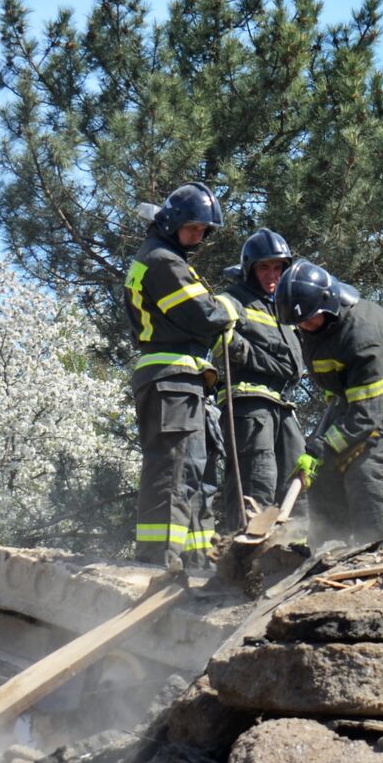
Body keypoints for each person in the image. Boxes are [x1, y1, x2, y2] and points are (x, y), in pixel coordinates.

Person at [274, 260, 383, 545]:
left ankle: (380, 554)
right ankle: (325, 551)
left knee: (368, 468)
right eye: (299, 322)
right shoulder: (317, 329)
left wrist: (322, 444)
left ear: (328, 303)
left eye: (310, 318)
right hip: (362, 402)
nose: (305, 326)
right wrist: (319, 450)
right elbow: (343, 398)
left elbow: (366, 415)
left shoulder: (362, 334)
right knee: (322, 473)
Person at [123, 182, 233, 568]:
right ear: (170, 222)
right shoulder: (164, 262)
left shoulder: (166, 257)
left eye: (204, 231)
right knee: (171, 474)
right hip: (170, 379)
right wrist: (227, 310)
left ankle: (199, 563)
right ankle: (157, 562)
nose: (198, 237)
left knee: (197, 474)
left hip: (183, 383)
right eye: (192, 229)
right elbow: (204, 317)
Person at [213, 229, 307, 533]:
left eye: (278, 267)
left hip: (282, 405)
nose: (272, 275)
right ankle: (243, 550)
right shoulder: (234, 299)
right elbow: (212, 329)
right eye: (264, 267)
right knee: (258, 477)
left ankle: (292, 551)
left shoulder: (283, 306)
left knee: (298, 478)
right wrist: (249, 354)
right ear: (249, 269)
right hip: (249, 405)